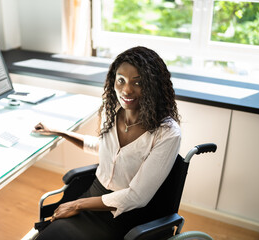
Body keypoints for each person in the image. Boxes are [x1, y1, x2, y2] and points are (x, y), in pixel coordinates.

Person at [32, 46, 181, 240]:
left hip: (126, 213)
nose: (127, 90)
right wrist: (59, 132)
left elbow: (137, 197)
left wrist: (76, 205)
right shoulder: (112, 112)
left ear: (153, 85)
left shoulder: (167, 133)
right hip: (93, 196)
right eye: (121, 80)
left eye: (138, 82)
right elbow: (104, 149)